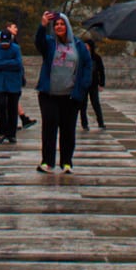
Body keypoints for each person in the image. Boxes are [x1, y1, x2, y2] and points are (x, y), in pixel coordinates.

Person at [35, 10, 91, 174]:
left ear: (67, 27)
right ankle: (48, 162)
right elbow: (39, 43)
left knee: (68, 130)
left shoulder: (78, 46)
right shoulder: (50, 43)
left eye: (62, 24)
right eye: (56, 24)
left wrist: (83, 85)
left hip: (70, 96)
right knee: (49, 129)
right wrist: (43, 25)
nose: (59, 27)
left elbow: (87, 65)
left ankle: (67, 162)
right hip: (49, 95)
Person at [0, 23, 26, 142]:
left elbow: (18, 64)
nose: (4, 46)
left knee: (13, 108)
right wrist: (9, 63)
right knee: (1, 106)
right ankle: (2, 132)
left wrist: (2, 63)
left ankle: (11, 134)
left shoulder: (16, 49)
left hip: (13, 83)